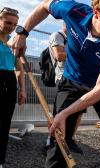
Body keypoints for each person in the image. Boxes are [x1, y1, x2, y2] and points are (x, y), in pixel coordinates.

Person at [10, 0, 100, 167]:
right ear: (96, 12)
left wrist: (64, 113)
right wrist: (22, 32)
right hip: (72, 82)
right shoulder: (74, 11)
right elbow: (45, 5)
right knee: (59, 136)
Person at [45, 22, 83, 154]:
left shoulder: (74, 39)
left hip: (77, 79)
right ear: (66, 24)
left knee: (78, 112)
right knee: (60, 113)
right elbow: (59, 55)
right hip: (64, 78)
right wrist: (81, 55)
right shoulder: (58, 36)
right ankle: (51, 143)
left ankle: (70, 139)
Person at [0, 7, 26, 168]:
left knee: (4, 124)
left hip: (9, 82)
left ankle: (0, 161)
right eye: (8, 22)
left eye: (14, 24)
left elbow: (19, 67)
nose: (11, 26)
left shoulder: (13, 43)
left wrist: (22, 89)